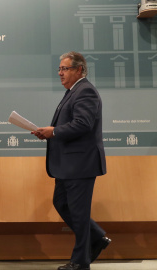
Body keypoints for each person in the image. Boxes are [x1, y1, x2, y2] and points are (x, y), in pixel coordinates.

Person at [32, 51, 111, 270]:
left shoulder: (85, 91)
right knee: (62, 204)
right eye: (59, 69)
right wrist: (49, 132)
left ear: (79, 70)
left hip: (80, 164)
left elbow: (82, 124)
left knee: (78, 212)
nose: (60, 73)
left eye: (64, 69)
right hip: (68, 165)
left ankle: (80, 262)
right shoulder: (72, 91)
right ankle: (97, 238)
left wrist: (54, 131)